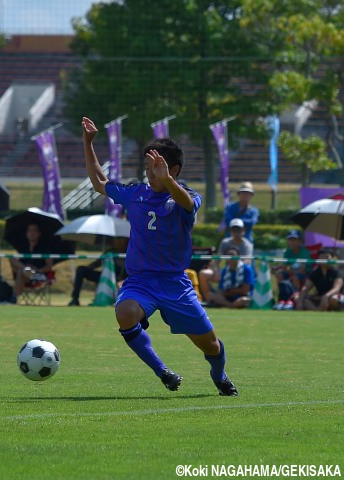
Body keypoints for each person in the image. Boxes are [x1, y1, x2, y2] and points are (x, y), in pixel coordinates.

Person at [81, 116, 238, 396]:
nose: (150, 173)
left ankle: (219, 375)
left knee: (211, 345)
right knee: (125, 313)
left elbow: (188, 203)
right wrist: (88, 142)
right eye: (147, 167)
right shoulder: (136, 194)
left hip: (175, 285)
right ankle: (163, 371)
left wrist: (168, 181)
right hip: (140, 281)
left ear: (173, 169)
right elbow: (99, 182)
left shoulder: (184, 196)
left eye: (157, 167)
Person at [198, 218, 254, 302]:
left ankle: (224, 301)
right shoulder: (225, 242)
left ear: (243, 230)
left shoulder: (247, 245)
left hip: (240, 272)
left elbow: (247, 261)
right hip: (225, 272)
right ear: (230, 230)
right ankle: (209, 301)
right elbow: (217, 260)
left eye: (238, 229)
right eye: (234, 229)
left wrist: (234, 266)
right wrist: (216, 270)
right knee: (203, 274)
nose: (236, 232)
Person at [68, 237, 128, 306]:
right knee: (81, 269)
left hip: (120, 278)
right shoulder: (109, 251)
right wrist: (88, 268)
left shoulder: (129, 252)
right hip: (105, 277)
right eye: (116, 239)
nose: (118, 241)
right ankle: (75, 299)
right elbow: (97, 263)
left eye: (121, 239)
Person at [8, 223, 54, 304]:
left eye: (34, 230)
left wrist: (38, 270)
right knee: (13, 260)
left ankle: (14, 298)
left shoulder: (45, 248)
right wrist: (26, 267)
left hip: (39, 276)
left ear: (39, 233)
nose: (32, 233)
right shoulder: (23, 247)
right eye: (29, 230)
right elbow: (14, 267)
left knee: (21, 272)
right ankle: (26, 269)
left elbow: (49, 265)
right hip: (24, 275)